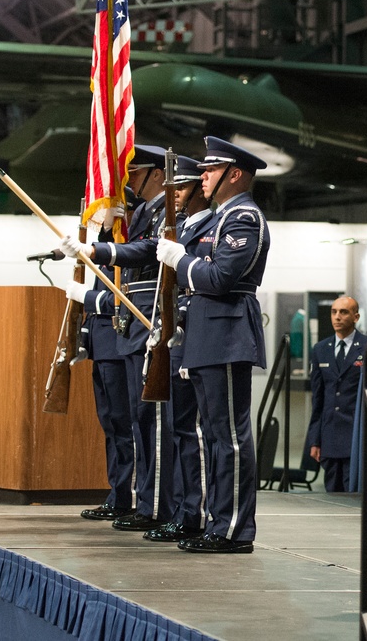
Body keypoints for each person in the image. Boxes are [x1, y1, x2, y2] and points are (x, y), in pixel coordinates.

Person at [155, 136, 270, 554]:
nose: (202, 176)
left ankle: (234, 529)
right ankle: (218, 522)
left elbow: (219, 278)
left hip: (226, 333)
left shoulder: (244, 218)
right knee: (214, 436)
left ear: (234, 174)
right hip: (207, 333)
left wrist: (180, 261)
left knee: (230, 438)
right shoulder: (222, 217)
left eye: (210, 169)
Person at [62, 145, 175, 533]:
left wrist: (99, 252)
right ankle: (126, 495)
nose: (127, 182)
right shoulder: (140, 215)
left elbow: (139, 269)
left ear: (157, 174)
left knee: (141, 421)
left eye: (136, 173)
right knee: (116, 421)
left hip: (134, 327)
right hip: (116, 331)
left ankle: (147, 500)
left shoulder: (158, 215)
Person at [145, 155, 211, 542]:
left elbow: (204, 280)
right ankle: (186, 511)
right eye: (174, 190)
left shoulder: (211, 225)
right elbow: (145, 254)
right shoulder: (182, 227)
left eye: (183, 189)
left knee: (196, 434)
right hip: (176, 336)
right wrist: (102, 253)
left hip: (194, 335)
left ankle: (196, 515)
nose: (177, 197)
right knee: (179, 431)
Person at [73, 188, 140, 522]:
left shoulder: (124, 246)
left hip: (119, 343)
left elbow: (119, 299)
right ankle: (117, 492)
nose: (99, 214)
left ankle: (127, 495)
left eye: (107, 208)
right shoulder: (104, 245)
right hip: (102, 346)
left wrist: (86, 298)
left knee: (124, 424)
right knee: (110, 423)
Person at [307, 296, 367, 492]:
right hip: (329, 435)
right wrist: (315, 440)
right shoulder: (321, 349)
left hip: (356, 434)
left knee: (354, 495)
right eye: (334, 312)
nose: (337, 317)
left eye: (343, 312)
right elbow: (317, 399)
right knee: (332, 498)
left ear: (356, 316)